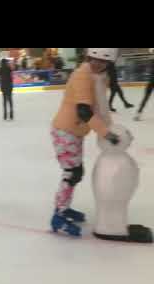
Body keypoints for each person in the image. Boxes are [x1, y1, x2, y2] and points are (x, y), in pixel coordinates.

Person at [50, 48, 121, 237]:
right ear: (88, 57)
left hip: (76, 131)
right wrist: (106, 133)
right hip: (65, 130)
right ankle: (58, 216)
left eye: (102, 61)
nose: (97, 64)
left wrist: (109, 126)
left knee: (76, 172)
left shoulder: (100, 77)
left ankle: (64, 208)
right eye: (93, 59)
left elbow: (99, 107)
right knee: (72, 172)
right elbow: (84, 111)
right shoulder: (83, 75)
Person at [134, 53, 154, 121]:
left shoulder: (152, 61)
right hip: (151, 82)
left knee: (145, 98)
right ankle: (138, 114)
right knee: (145, 98)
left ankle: (138, 114)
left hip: (150, 82)